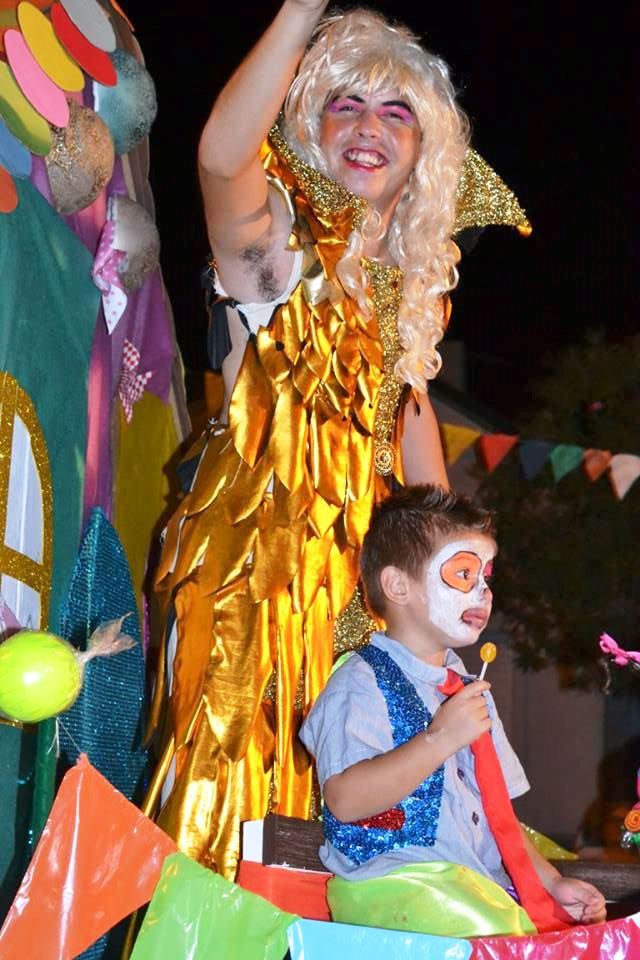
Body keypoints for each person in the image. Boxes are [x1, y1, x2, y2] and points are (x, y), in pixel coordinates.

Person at [147, 0, 529, 881]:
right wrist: (299, 10)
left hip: (368, 605)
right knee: (244, 816)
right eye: (345, 104)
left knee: (367, 830)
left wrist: (450, 606)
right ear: (310, 128)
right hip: (255, 592)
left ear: (423, 153)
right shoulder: (277, 251)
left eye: (396, 112)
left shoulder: (408, 315)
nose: (368, 127)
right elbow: (220, 158)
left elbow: (435, 514)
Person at [300, 484, 607, 937]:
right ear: (398, 585)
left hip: (471, 889)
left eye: (486, 576)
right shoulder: (359, 682)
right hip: (395, 889)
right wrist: (439, 740)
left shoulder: (468, 688)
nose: (483, 592)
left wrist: (550, 883)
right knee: (504, 938)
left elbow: (497, 815)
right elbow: (345, 800)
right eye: (464, 573)